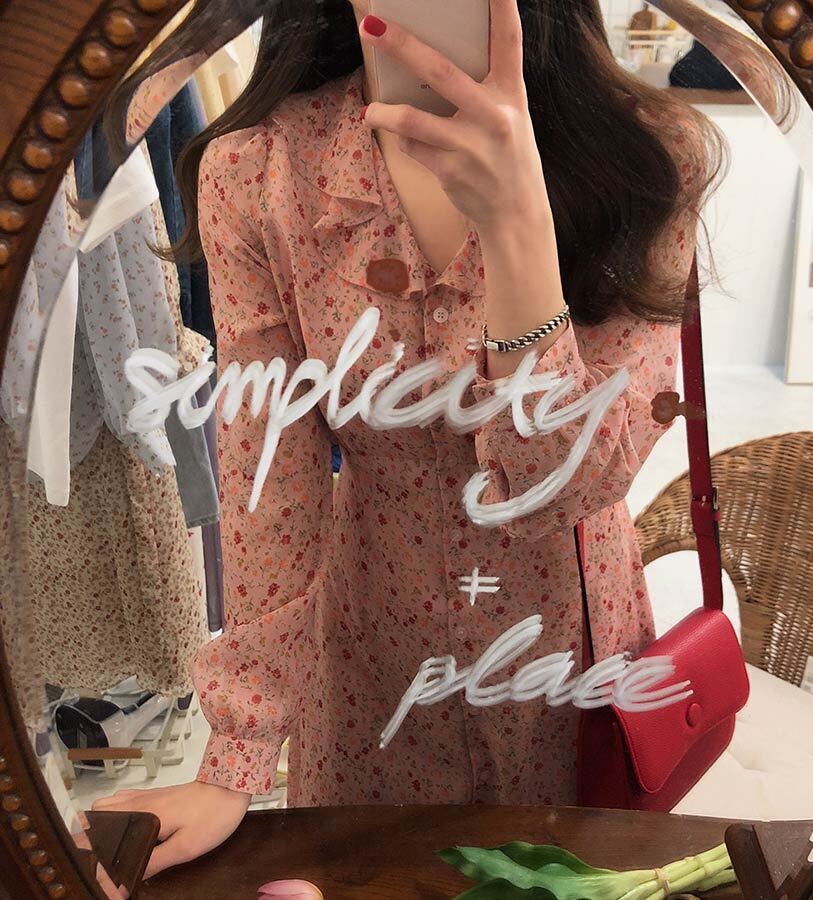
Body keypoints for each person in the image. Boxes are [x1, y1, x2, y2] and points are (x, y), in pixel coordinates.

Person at [96, 0, 721, 879]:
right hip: (368, 650)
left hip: (569, 642)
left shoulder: (650, 155)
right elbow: (271, 487)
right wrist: (235, 759)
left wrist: (517, 222)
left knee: (557, 883)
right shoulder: (260, 170)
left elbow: (571, 483)